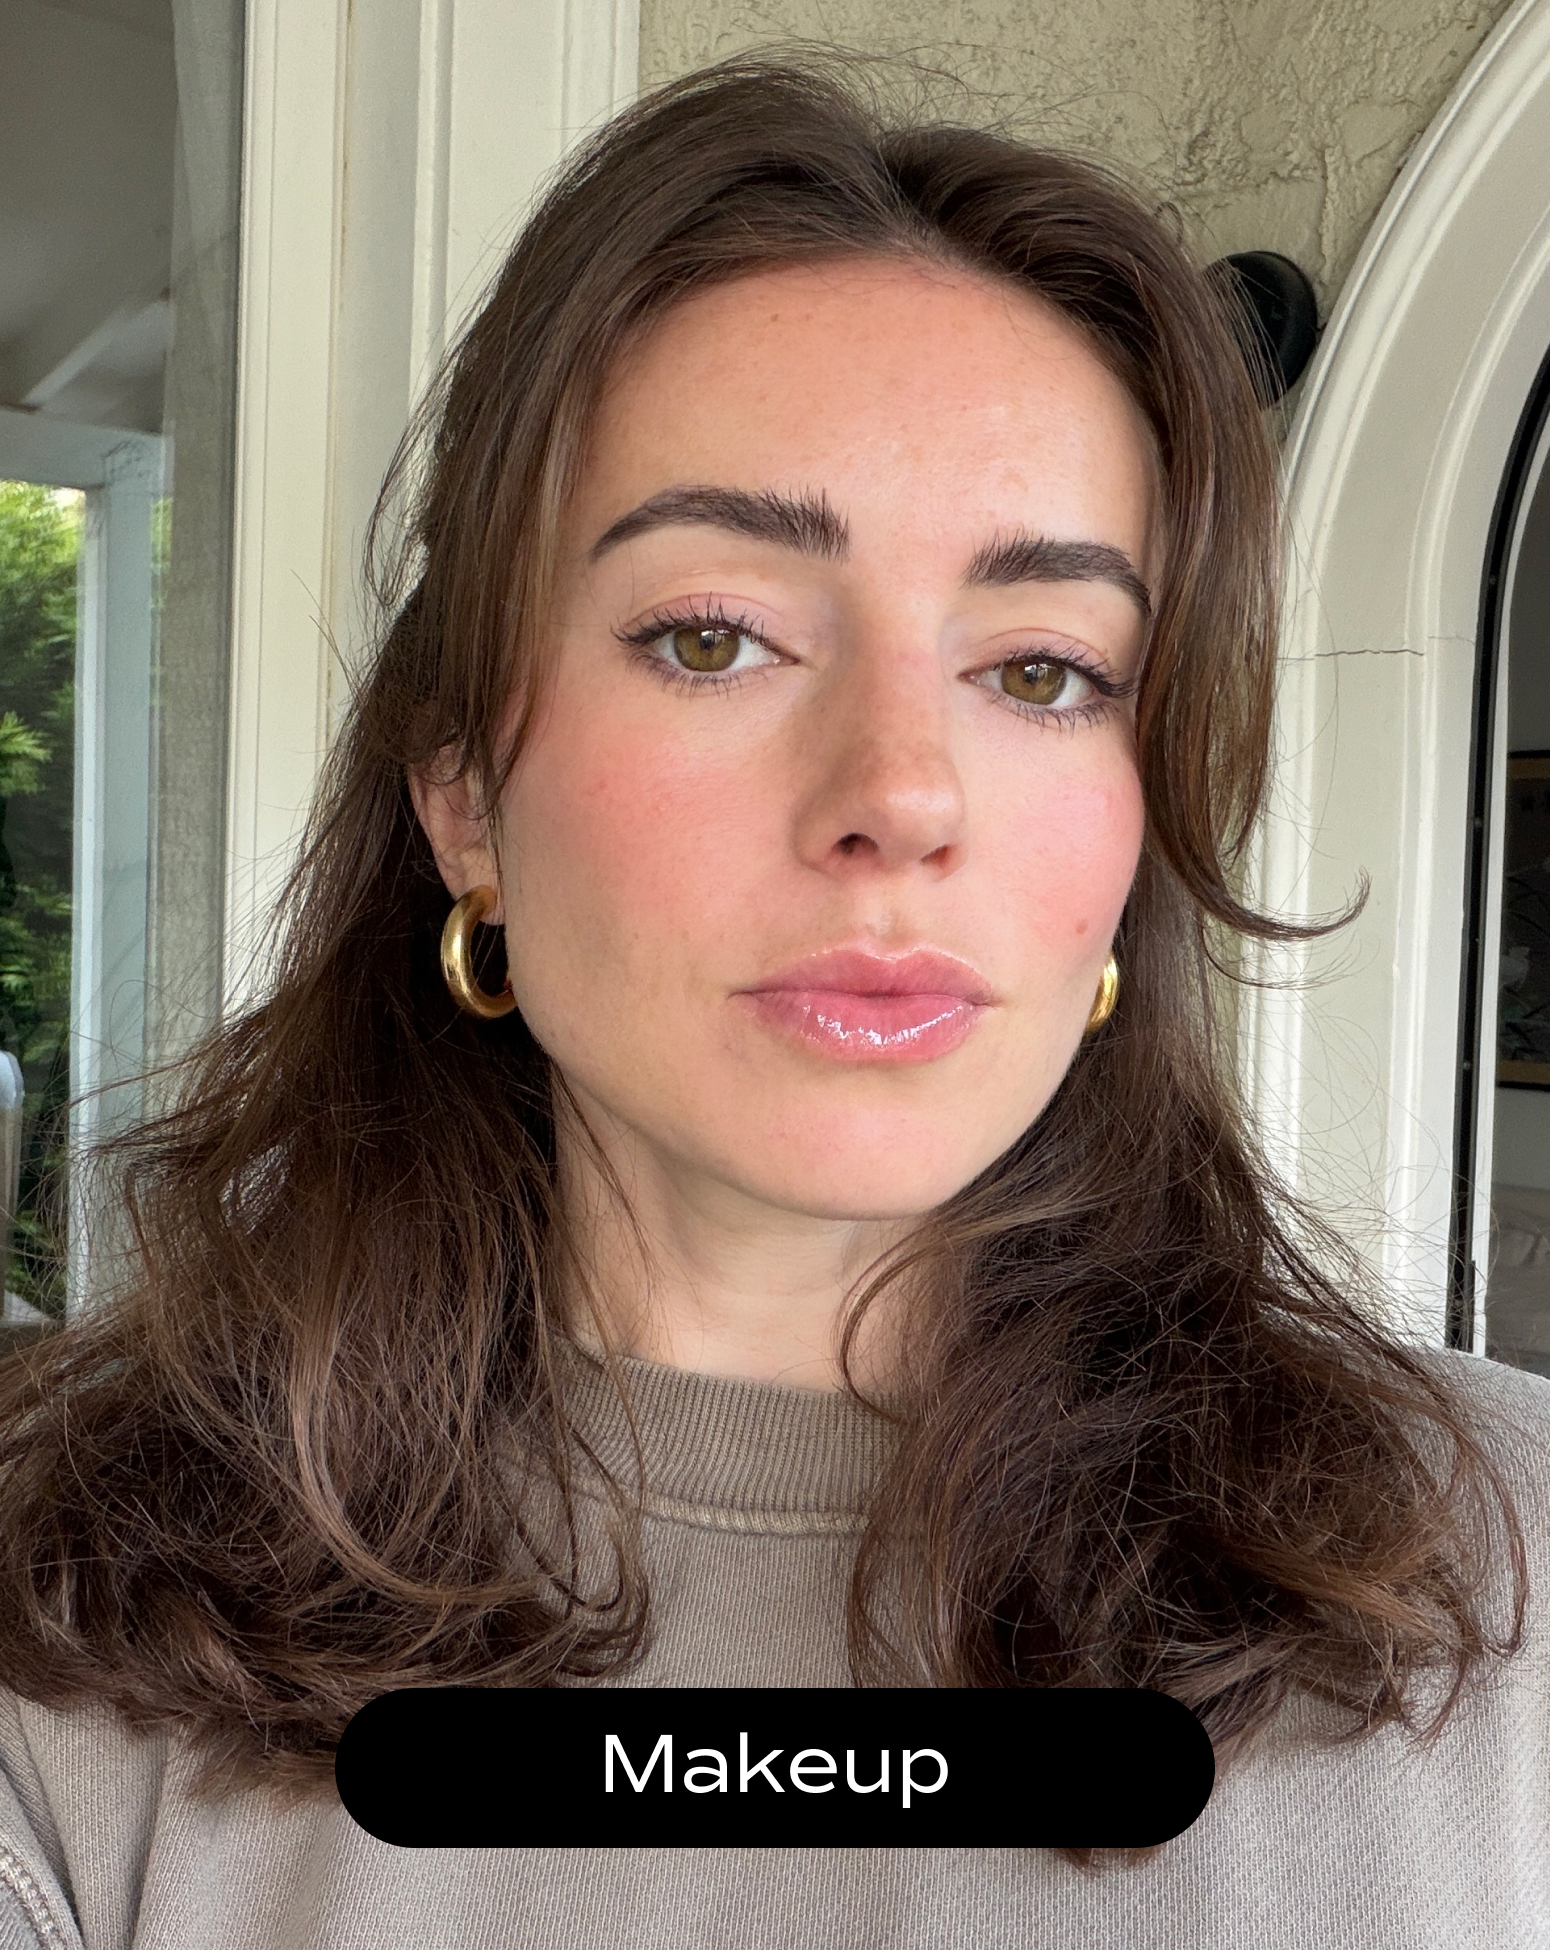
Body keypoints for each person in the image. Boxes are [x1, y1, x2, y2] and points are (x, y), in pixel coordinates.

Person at [0, 56, 1545, 1950]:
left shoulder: (1511, 1576)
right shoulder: (54, 1607)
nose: (900, 793)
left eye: (1046, 668)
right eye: (713, 636)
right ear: (464, 794)